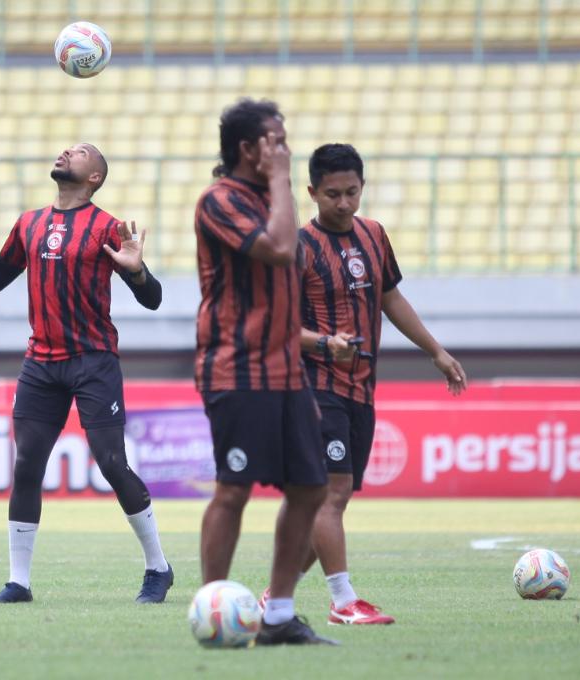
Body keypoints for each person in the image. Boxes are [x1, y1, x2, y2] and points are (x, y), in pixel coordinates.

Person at [0, 142, 174, 605]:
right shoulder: (30, 223)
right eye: (69, 149)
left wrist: (138, 270)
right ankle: (19, 582)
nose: (69, 152)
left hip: (94, 361)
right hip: (42, 362)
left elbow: (153, 300)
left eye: (82, 152)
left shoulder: (107, 227)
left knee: (111, 462)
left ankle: (158, 567)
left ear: (95, 178)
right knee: (27, 464)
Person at [286, 142, 466, 625]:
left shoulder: (374, 235)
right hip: (316, 386)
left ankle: (275, 596)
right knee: (332, 494)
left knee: (335, 500)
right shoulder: (298, 248)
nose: (344, 203)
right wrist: (325, 344)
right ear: (312, 192)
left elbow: (390, 297)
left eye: (351, 192)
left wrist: (436, 351)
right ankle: (343, 602)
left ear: (362, 187)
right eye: (332, 195)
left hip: (361, 389)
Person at [194, 98, 336, 646]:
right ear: (248, 149)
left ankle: (276, 615)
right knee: (234, 489)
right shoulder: (219, 201)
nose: (285, 149)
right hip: (237, 367)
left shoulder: (271, 199)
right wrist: (282, 179)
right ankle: (214, 608)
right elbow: (279, 248)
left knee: (309, 487)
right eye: (276, 140)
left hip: (286, 371)